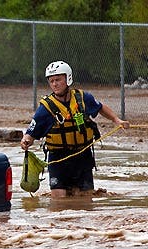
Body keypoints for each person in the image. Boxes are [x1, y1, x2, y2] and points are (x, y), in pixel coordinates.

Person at [20, 60, 130, 198]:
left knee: (85, 198)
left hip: (82, 156)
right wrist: (26, 140)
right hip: (58, 159)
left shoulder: (84, 98)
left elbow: (100, 107)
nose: (54, 84)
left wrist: (116, 120)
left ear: (68, 78)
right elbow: (31, 132)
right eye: (51, 81)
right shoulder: (45, 108)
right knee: (59, 198)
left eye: (58, 80)